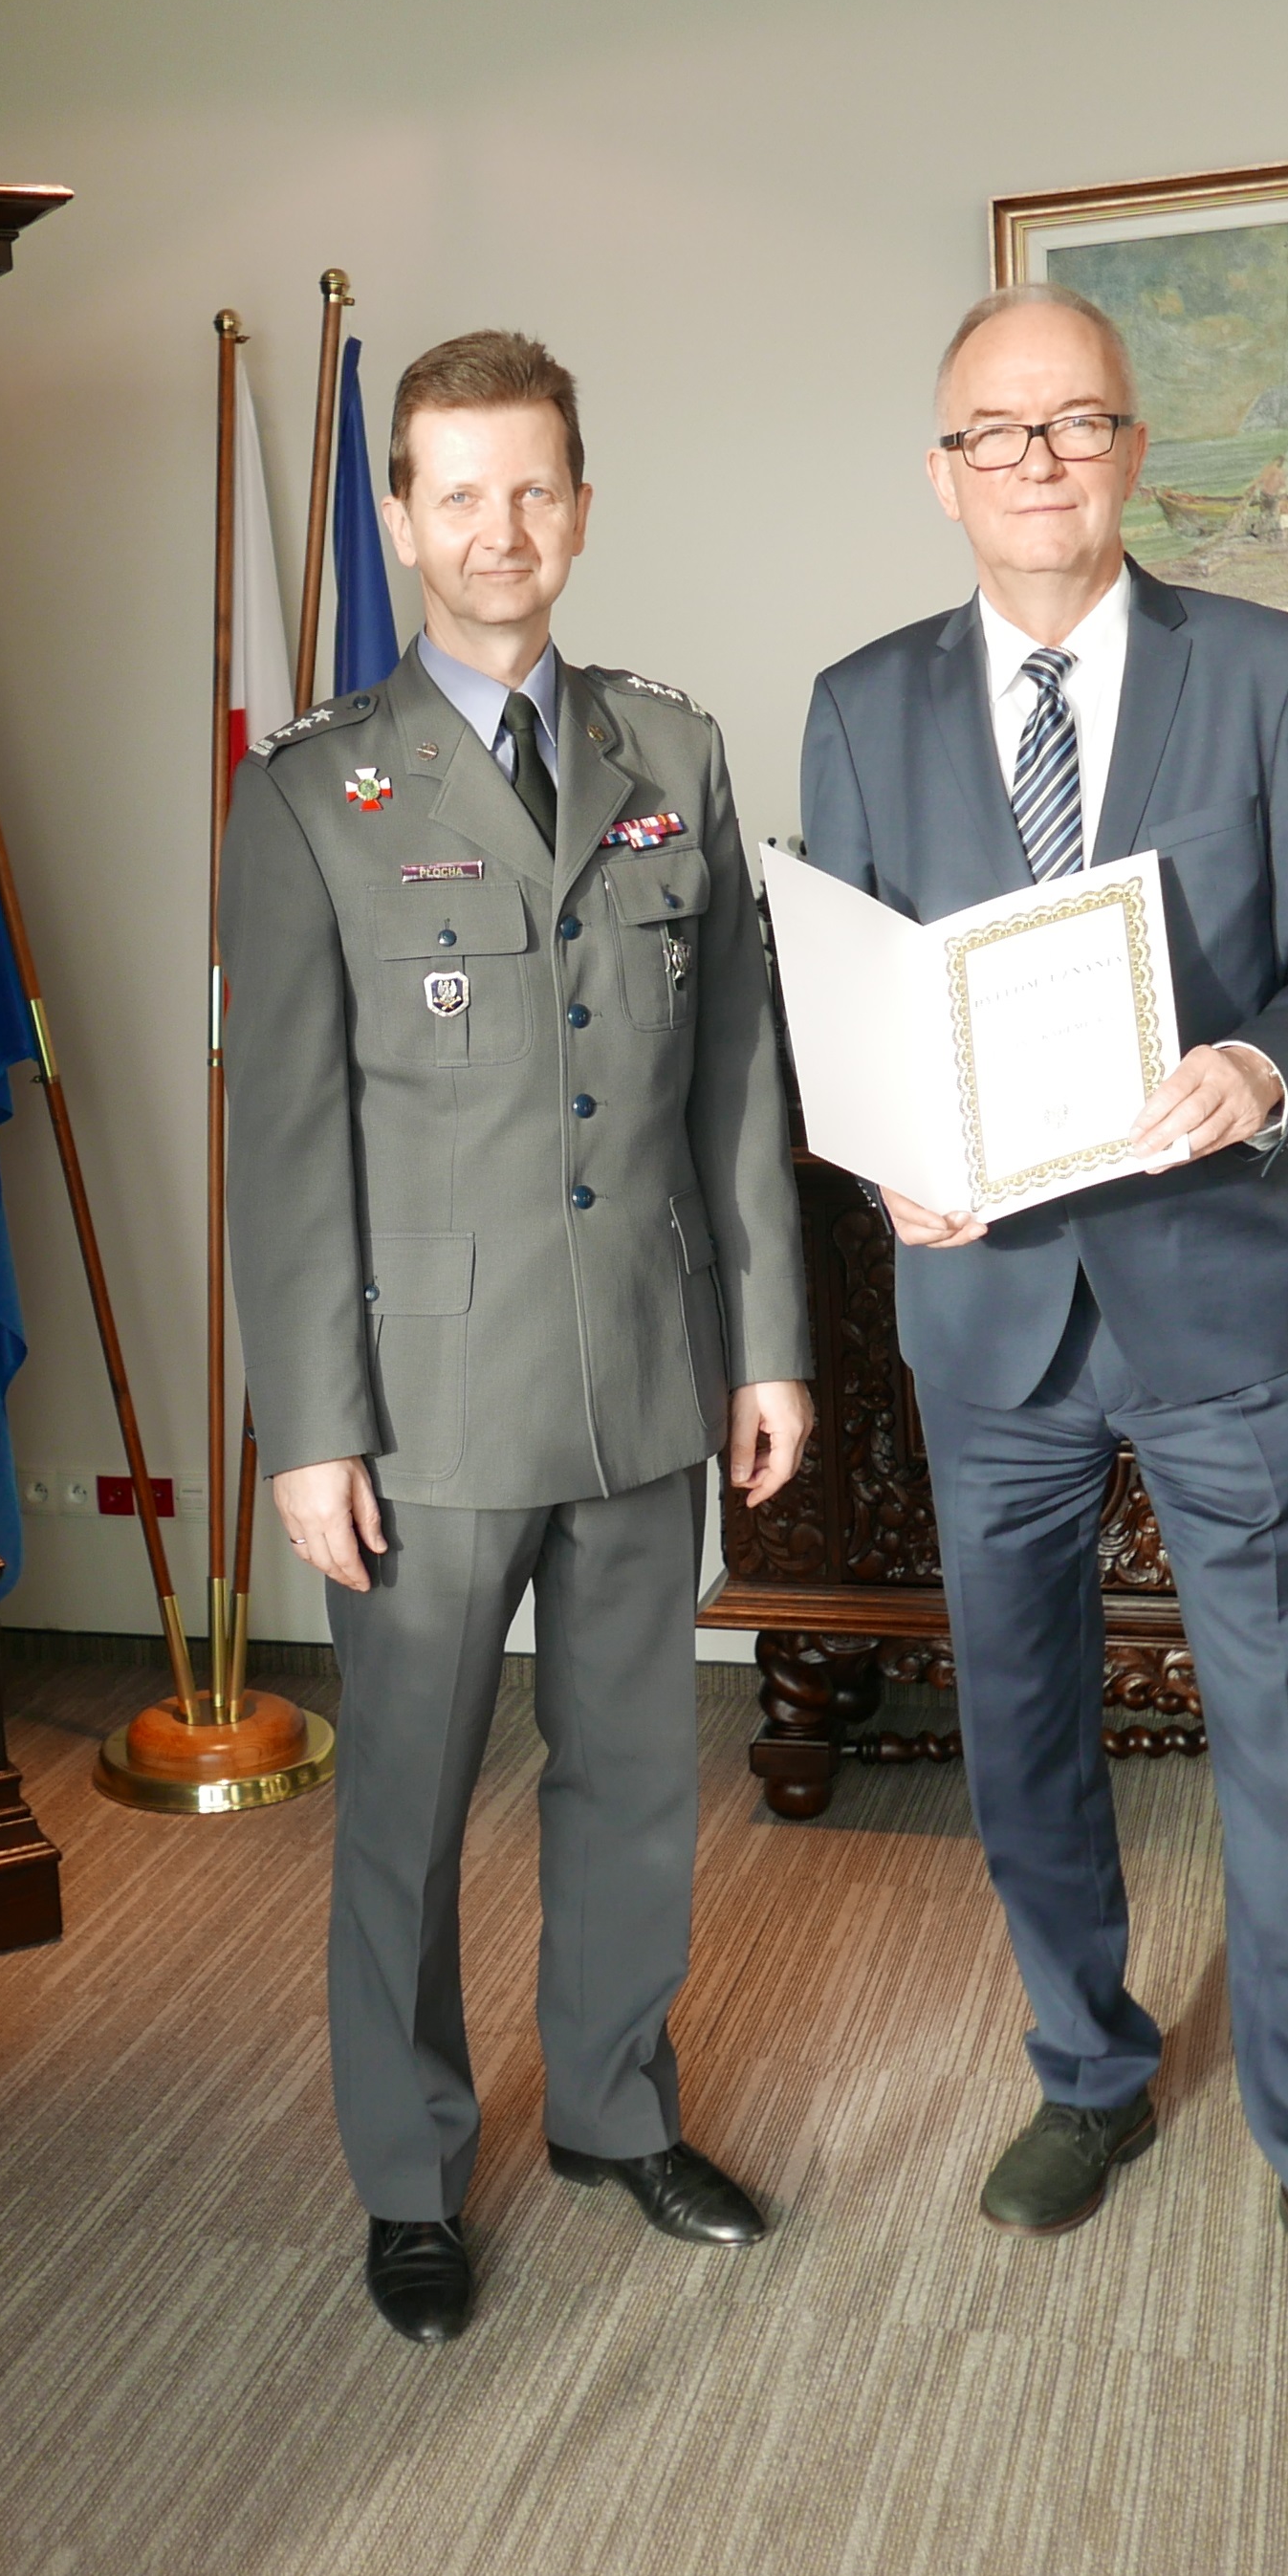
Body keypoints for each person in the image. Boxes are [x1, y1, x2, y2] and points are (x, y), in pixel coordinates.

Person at [796, 283, 1288, 2347]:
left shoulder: (1269, 669)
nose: (1039, 460)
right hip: (986, 1310)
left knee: (1276, 1734)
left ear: (1134, 449)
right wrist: (876, 1157)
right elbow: (851, 1011)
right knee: (1021, 1725)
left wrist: (1260, 1065)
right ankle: (1088, 2072)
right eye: (997, 429)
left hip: (1218, 1291)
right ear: (944, 472)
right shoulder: (860, 705)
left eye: (1076, 421)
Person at [224, 330, 813, 2346]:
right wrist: (311, 1426)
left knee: (636, 1777)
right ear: (401, 517)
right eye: (458, 492)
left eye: (533, 488)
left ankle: (615, 2112)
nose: (500, 530)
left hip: (644, 1369)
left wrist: (767, 1343)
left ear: (581, 505)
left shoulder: (673, 753)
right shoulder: (315, 793)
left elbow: (735, 1075)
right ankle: (409, 2172)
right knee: (402, 1809)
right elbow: (285, 1143)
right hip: (427, 1408)